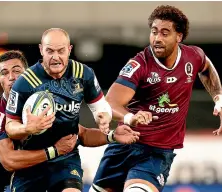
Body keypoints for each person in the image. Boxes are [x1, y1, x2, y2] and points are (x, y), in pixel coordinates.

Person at [89, 5, 222, 192]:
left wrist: (219, 98)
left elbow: (207, 69)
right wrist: (130, 118)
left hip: (156, 154)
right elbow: (110, 103)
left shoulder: (193, 56)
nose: (157, 38)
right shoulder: (139, 64)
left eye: (165, 33)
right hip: (124, 146)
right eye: (154, 32)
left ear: (179, 36)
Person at [0, 50, 140, 192]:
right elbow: (8, 161)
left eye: (17, 71)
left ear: (27, 74)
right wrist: (54, 150)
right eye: (4, 73)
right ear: (0, 79)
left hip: (27, 173)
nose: (11, 77)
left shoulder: (45, 102)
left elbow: (80, 134)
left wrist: (112, 136)